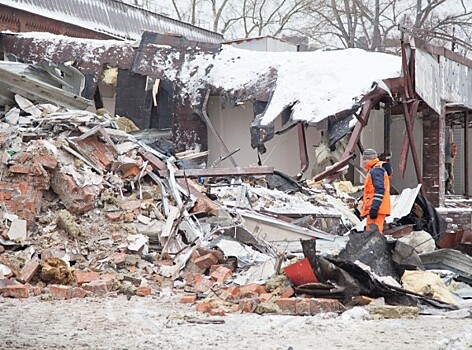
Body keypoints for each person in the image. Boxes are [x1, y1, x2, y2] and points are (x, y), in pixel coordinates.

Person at [361, 148, 391, 233]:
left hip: (376, 208)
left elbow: (379, 190)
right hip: (378, 208)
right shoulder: (376, 169)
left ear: (369, 159)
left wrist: (374, 208)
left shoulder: (376, 170)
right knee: (373, 234)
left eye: (365, 159)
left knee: (373, 235)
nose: (364, 162)